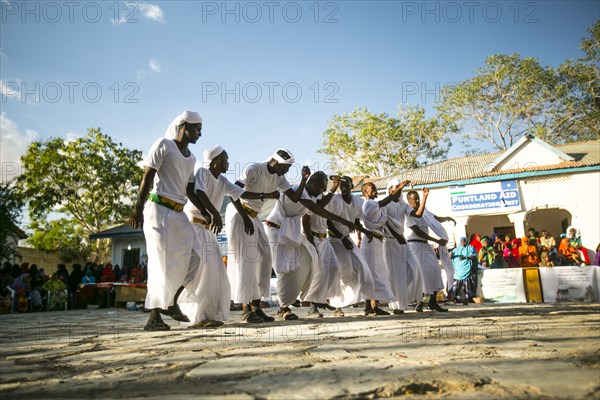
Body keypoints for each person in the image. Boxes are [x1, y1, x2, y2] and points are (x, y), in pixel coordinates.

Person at [179, 145, 278, 328]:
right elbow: (199, 192)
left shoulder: (222, 180)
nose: (228, 162)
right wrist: (214, 213)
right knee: (200, 271)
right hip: (193, 227)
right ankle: (190, 313)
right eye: (225, 159)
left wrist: (266, 195)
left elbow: (239, 194)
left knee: (215, 274)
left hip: (208, 230)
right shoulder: (203, 172)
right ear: (216, 161)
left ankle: (206, 315)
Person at [129, 110, 205, 331]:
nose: (200, 133)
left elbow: (190, 190)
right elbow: (147, 177)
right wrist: (137, 209)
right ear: (184, 127)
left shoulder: (191, 158)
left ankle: (170, 302)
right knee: (160, 263)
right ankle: (154, 317)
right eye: (197, 129)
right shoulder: (163, 145)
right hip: (158, 210)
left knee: (196, 257)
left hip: (179, 214)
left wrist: (206, 211)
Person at [226, 148, 308, 323]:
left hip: (254, 216)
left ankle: (256, 306)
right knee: (247, 260)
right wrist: (265, 196)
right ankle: (246, 309)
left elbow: (294, 198)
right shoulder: (254, 169)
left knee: (265, 258)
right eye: (285, 167)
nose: (286, 171)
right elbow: (234, 192)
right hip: (239, 213)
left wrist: (303, 180)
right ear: (275, 162)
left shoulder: (279, 177)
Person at [267, 170, 356, 320]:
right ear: (313, 183)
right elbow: (317, 209)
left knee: (306, 264)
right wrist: (343, 221)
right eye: (321, 187)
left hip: (291, 232)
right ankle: (284, 308)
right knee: (284, 267)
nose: (322, 191)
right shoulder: (297, 190)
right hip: (277, 230)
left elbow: (320, 204)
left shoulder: (311, 195)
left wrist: (333, 189)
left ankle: (305, 297)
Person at [326, 176, 375, 316]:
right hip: (335, 240)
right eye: (342, 186)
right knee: (341, 271)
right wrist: (341, 237)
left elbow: (356, 222)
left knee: (363, 268)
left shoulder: (358, 201)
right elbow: (328, 222)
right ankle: (337, 307)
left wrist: (366, 232)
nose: (344, 189)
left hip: (347, 239)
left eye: (347, 186)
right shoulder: (335, 200)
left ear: (352, 186)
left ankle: (368, 305)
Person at [360, 181, 405, 315]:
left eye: (374, 188)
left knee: (375, 273)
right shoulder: (369, 204)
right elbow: (384, 202)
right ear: (365, 192)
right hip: (371, 242)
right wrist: (399, 188)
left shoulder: (375, 206)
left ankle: (372, 305)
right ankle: (370, 306)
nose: (374, 190)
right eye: (371, 188)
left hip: (378, 242)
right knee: (372, 273)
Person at [405, 189, 448, 312]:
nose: (417, 201)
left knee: (434, 270)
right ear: (409, 201)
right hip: (414, 246)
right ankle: (420, 302)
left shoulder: (424, 210)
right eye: (414, 199)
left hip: (425, 245)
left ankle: (433, 302)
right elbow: (418, 232)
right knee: (421, 274)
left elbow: (434, 218)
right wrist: (437, 240)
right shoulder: (409, 213)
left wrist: (447, 218)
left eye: (418, 198)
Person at [381, 178, 412, 315]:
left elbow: (416, 214)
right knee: (390, 275)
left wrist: (425, 198)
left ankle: (403, 304)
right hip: (389, 241)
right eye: (395, 188)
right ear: (389, 190)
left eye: (399, 188)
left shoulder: (403, 205)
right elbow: (385, 221)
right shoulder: (385, 204)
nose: (398, 191)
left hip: (401, 242)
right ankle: (394, 305)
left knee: (407, 271)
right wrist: (396, 235)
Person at [450, 237, 477, 305]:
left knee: (466, 285)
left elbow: (474, 257)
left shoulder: (470, 248)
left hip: (467, 269)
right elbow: (450, 255)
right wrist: (450, 255)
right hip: (458, 271)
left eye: (464, 241)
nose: (463, 243)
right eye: (461, 241)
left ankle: (467, 298)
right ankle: (456, 298)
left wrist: (466, 257)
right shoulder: (456, 250)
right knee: (457, 285)